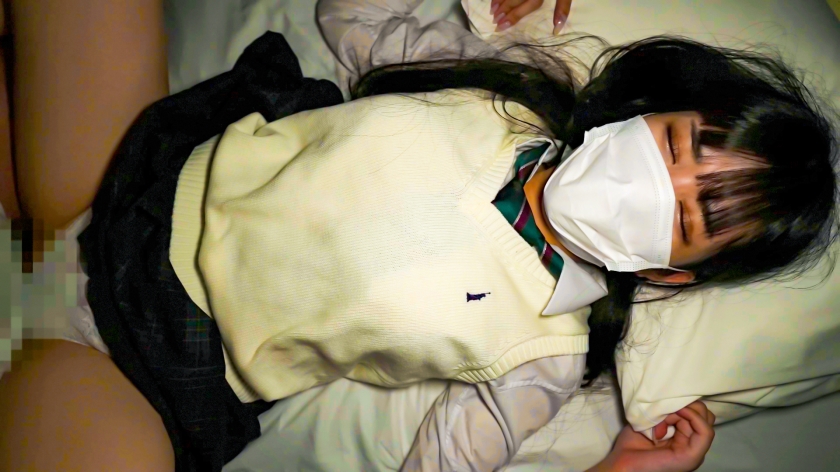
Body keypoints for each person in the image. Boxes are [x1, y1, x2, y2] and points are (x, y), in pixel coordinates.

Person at [1, 2, 836, 472]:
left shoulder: (543, 355)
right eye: (676, 146)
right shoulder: (503, 91)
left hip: (138, 363)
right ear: (652, 112)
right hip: (128, 168)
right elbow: (348, 12)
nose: (650, 185)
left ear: (673, 274)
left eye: (686, 218)